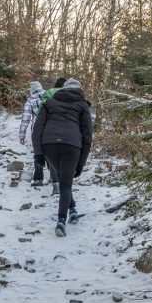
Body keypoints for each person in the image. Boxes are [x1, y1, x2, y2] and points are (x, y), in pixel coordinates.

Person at [31, 78, 92, 237]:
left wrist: (38, 154)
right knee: (65, 184)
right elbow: (87, 137)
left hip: (49, 144)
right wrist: (80, 164)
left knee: (62, 178)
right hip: (72, 146)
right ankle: (61, 221)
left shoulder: (49, 102)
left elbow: (37, 129)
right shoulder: (83, 105)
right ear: (79, 89)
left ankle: (72, 210)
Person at [34, 77, 66, 193]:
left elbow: (39, 115)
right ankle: (64, 182)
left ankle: (56, 184)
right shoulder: (68, 96)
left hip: (49, 130)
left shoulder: (47, 95)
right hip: (67, 130)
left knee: (51, 156)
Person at [19, 81, 47, 186]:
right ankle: (55, 180)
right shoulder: (50, 96)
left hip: (37, 130)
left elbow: (25, 119)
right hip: (51, 129)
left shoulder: (30, 100)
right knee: (50, 153)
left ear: (32, 90)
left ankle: (39, 179)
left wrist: (22, 135)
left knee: (38, 153)